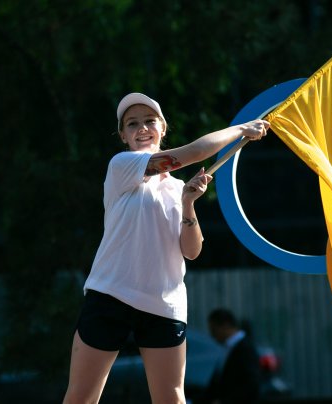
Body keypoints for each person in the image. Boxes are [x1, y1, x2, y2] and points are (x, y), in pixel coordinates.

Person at [63, 92, 268, 404]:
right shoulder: (122, 167)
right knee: (81, 397)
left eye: (149, 121)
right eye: (132, 124)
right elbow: (195, 152)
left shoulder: (177, 189)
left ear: (163, 128)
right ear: (123, 136)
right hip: (110, 296)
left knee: (171, 398)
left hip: (163, 305)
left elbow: (192, 251)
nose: (142, 128)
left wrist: (188, 204)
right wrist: (241, 129)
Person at [203, 308, 262, 404]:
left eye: (214, 330)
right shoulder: (228, 348)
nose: (212, 335)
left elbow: (251, 384)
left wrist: (225, 401)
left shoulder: (245, 348)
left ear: (226, 325)